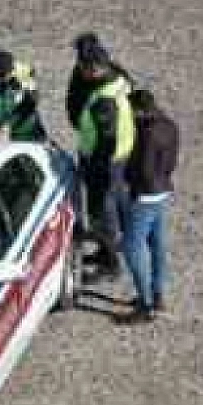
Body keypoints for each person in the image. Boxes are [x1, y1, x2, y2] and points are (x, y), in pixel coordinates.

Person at [74, 50, 136, 282]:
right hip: (121, 156)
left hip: (103, 164)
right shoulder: (119, 78)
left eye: (83, 68)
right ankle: (122, 242)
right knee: (119, 199)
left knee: (101, 212)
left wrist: (93, 168)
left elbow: (106, 141)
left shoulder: (104, 100)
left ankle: (110, 263)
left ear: (95, 69)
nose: (80, 72)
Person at [122, 90, 179, 322]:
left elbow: (143, 169)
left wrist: (130, 182)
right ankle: (158, 294)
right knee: (157, 244)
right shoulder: (170, 125)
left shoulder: (146, 133)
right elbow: (172, 160)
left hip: (144, 196)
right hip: (163, 190)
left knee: (132, 247)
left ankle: (145, 304)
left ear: (139, 110)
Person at [64, 33, 134, 129]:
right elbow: (73, 107)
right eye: (82, 66)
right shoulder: (78, 76)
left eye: (93, 70)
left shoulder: (115, 76)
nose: (89, 72)